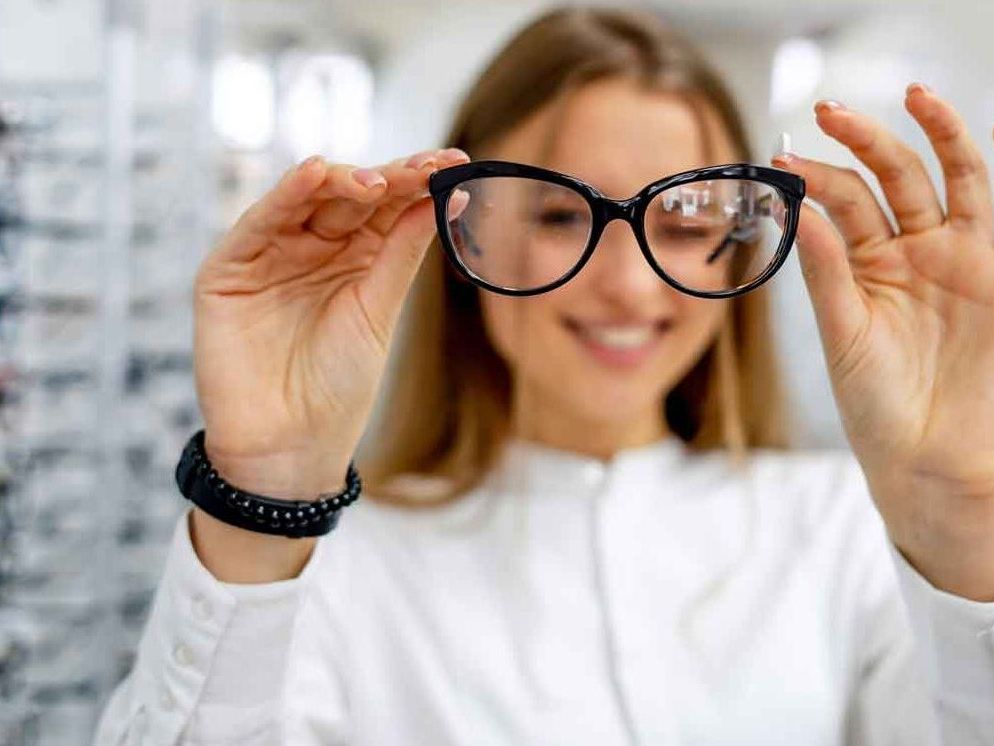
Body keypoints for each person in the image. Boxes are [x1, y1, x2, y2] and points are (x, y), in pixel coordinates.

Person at [93, 6, 994, 745]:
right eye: (562, 215)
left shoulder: (849, 537)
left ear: (734, 253)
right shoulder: (322, 572)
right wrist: (264, 489)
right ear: (459, 235)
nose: (629, 282)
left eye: (684, 219)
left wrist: (964, 525)